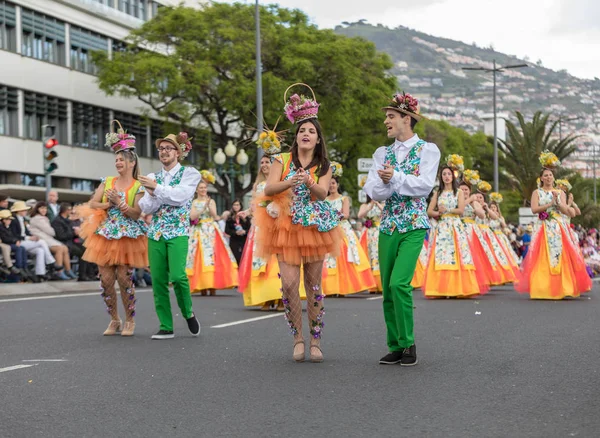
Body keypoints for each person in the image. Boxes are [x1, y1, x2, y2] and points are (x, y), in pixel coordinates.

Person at [255, 84, 341, 363]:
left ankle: (316, 340)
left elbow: (322, 194)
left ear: (318, 139)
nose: (306, 134)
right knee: (289, 285)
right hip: (286, 227)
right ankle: (297, 338)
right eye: (302, 130)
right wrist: (289, 181)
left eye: (311, 131)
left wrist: (309, 180)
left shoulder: (325, 164)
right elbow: (268, 189)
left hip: (315, 227)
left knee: (313, 286)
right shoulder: (282, 159)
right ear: (297, 136)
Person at [363, 91, 440, 366]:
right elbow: (374, 190)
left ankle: (408, 344)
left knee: (399, 283)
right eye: (386, 116)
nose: (386, 121)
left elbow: (424, 186)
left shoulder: (428, 150)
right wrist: (385, 183)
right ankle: (394, 344)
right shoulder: (382, 153)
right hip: (388, 226)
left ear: (407, 119)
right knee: (387, 287)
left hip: (413, 225)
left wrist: (394, 176)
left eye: (391, 116)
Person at [77, 122, 149, 336]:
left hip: (128, 236)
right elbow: (93, 203)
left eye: (121, 159)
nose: (117, 162)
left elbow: (137, 213)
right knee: (106, 280)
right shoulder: (107, 181)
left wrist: (120, 202)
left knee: (125, 279)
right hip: (106, 235)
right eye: (116, 159)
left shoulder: (139, 185)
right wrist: (108, 204)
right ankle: (114, 319)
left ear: (131, 162)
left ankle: (130, 320)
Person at [138, 132, 201, 340]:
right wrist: (151, 192)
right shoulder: (153, 177)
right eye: (161, 149)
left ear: (178, 152)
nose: (164, 152)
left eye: (168, 148)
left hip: (178, 231)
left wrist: (156, 188)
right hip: (155, 232)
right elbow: (146, 206)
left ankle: (188, 312)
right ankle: (166, 325)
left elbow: (180, 197)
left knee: (177, 276)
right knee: (158, 280)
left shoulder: (189, 174)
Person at [516, 161, 591, 299]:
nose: (549, 177)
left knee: (561, 255)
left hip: (557, 226)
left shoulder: (559, 192)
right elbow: (534, 209)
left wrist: (560, 203)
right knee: (542, 254)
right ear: (541, 178)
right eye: (546, 175)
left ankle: (563, 287)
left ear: (553, 178)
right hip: (543, 226)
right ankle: (542, 288)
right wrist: (550, 204)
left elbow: (565, 210)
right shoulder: (536, 192)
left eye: (550, 175)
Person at [423, 164, 480, 298]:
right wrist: (438, 212)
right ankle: (440, 289)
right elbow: (429, 211)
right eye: (444, 174)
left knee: (457, 255)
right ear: (441, 177)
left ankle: (458, 288)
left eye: (449, 174)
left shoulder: (458, 192)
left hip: (455, 226)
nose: (447, 177)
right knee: (442, 255)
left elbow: (460, 210)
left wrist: (447, 210)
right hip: (442, 227)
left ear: (452, 176)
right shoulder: (438, 193)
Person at [238, 154, 286, 311]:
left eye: (267, 162)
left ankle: (279, 297)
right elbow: (254, 205)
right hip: (258, 226)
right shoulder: (257, 185)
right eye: (262, 162)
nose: (264, 164)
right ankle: (265, 297)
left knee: (274, 262)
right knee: (260, 261)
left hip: (274, 224)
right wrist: (245, 212)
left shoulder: (278, 182)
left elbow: (282, 201)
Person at [323, 171, 376, 296]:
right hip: (328, 229)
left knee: (343, 257)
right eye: (329, 184)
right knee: (329, 258)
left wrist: (332, 216)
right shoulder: (324, 200)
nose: (331, 186)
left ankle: (342, 287)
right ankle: (330, 288)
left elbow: (346, 214)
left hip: (341, 229)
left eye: (333, 183)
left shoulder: (344, 199)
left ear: (337, 184)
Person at [187, 177, 238, 296]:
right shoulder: (193, 202)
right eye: (201, 188)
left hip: (210, 229)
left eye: (205, 187)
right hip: (198, 230)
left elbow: (215, 216)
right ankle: (202, 285)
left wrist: (209, 207)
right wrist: (203, 208)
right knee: (197, 256)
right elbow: (192, 217)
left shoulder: (211, 201)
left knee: (213, 255)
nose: (203, 190)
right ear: (196, 190)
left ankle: (213, 285)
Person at [10, 201, 57, 281]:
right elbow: (15, 235)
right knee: (41, 242)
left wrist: (32, 237)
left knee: (40, 250)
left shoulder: (23, 219)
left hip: (25, 242)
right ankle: (51, 262)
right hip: (19, 242)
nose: (26, 211)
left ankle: (40, 273)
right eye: (24, 210)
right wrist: (29, 238)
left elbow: (26, 232)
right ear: (19, 211)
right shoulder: (13, 220)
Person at [29, 202, 75, 280]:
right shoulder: (37, 218)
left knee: (65, 248)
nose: (44, 210)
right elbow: (51, 232)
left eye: (45, 208)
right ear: (37, 209)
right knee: (59, 249)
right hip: (41, 240)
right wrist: (52, 231)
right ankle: (59, 271)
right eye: (41, 208)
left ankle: (68, 270)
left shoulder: (44, 218)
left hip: (48, 239)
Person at [52, 203, 96, 281]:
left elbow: (70, 233)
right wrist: (74, 233)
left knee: (88, 249)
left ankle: (90, 274)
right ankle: (82, 275)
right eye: (69, 210)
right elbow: (61, 236)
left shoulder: (66, 220)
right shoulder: (57, 221)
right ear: (65, 211)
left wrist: (77, 233)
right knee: (84, 251)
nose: (71, 212)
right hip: (64, 243)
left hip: (71, 242)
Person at [358, 196, 384, 293]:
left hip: (378, 232)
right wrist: (370, 207)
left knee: (377, 255)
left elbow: (386, 212)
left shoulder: (382, 204)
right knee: (368, 255)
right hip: (367, 234)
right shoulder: (364, 205)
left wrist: (377, 204)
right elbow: (360, 215)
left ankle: (380, 284)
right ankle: (371, 284)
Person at [0, 210, 30, 281]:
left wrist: (16, 240)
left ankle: (24, 267)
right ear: (3, 220)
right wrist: (14, 241)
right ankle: (18, 267)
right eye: (8, 219)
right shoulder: (1, 228)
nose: (9, 221)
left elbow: (12, 236)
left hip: (10, 243)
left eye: (10, 219)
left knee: (22, 248)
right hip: (7, 244)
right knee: (18, 248)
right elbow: (4, 238)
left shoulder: (8, 227)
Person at [225, 199, 251, 265]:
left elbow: (250, 229)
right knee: (235, 257)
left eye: (237, 205)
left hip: (244, 240)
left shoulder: (246, 217)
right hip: (234, 240)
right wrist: (235, 232)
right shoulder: (229, 217)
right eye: (234, 205)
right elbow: (227, 230)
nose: (236, 206)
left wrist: (244, 231)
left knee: (244, 257)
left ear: (240, 206)